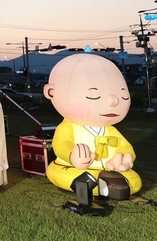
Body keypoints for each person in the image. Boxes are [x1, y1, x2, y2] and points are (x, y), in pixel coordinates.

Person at [44, 54, 141, 197]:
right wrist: (72, 156)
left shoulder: (109, 129)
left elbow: (124, 146)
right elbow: (61, 144)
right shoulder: (68, 127)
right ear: (51, 92)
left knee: (134, 181)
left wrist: (125, 157)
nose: (113, 102)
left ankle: (112, 183)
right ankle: (105, 186)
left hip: (107, 168)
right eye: (94, 96)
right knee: (84, 179)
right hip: (72, 167)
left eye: (123, 96)